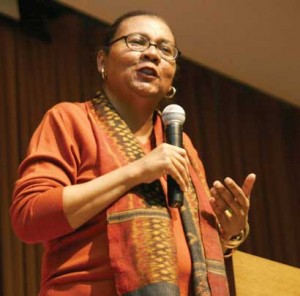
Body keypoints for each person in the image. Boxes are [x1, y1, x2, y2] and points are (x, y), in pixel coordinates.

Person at [10, 10, 256, 296]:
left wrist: (228, 233)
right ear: (103, 60)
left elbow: (185, 249)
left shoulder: (180, 144)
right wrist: (136, 171)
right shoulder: (70, 119)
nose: (152, 54)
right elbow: (30, 217)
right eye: (137, 42)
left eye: (165, 49)